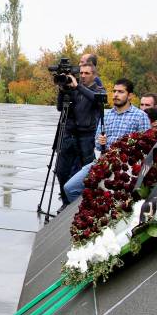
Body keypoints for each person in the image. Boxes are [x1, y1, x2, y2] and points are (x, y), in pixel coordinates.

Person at [63, 78, 151, 204]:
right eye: (114, 91)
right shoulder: (107, 115)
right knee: (70, 188)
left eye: (121, 92)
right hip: (103, 161)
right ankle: (88, 213)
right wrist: (101, 141)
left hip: (125, 166)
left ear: (130, 95)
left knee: (110, 196)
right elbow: (98, 145)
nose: (116, 95)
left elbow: (146, 146)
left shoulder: (140, 116)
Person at [55, 56, 105, 213]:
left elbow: (97, 100)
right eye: (81, 72)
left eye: (86, 73)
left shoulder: (98, 89)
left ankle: (84, 203)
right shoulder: (73, 88)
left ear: (94, 75)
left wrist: (78, 87)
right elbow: (59, 107)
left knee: (86, 172)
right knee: (61, 170)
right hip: (69, 134)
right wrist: (63, 90)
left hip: (86, 136)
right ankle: (65, 201)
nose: (82, 76)